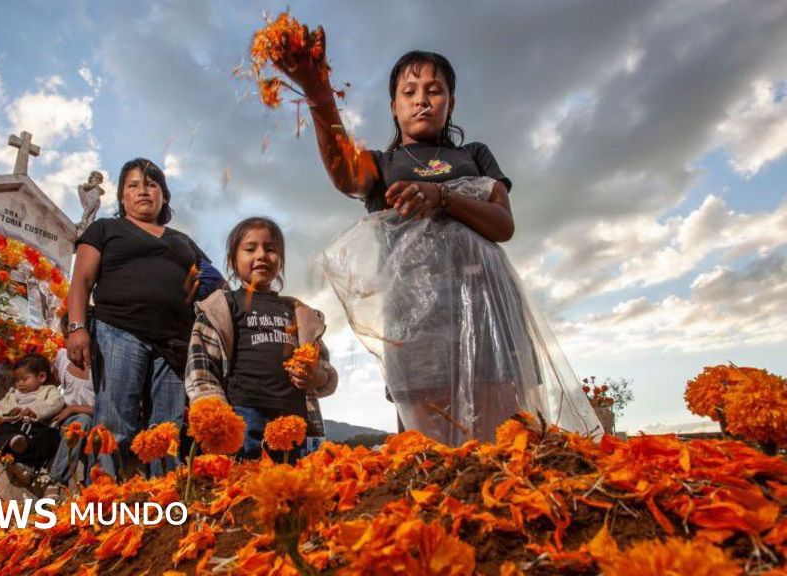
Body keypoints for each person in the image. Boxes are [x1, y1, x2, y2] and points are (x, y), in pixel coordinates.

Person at [282, 48, 599, 444]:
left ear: (450, 104)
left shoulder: (474, 156)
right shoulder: (381, 164)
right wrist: (319, 94)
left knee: (507, 444)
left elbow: (503, 225)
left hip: (489, 315)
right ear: (394, 107)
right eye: (409, 91)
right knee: (430, 457)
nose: (421, 99)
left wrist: (443, 197)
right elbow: (346, 175)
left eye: (434, 90)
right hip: (416, 328)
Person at [66, 158, 216, 478]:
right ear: (122, 197)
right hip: (119, 330)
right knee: (114, 424)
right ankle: (104, 499)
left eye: (151, 184)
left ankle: (163, 506)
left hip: (176, 343)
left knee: (167, 429)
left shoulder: (183, 241)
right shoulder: (105, 229)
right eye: (132, 185)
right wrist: (77, 326)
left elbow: (216, 288)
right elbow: (80, 281)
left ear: (163, 195)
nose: (142, 191)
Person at [185, 217, 337, 461]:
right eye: (250, 248)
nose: (262, 255)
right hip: (244, 417)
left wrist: (317, 376)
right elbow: (201, 371)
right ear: (233, 261)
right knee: (244, 490)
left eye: (271, 249)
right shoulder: (222, 307)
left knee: (299, 488)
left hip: (298, 419)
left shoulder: (298, 312)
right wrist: (218, 417)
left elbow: (326, 370)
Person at [45, 318, 95, 495]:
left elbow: (105, 408)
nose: (69, 343)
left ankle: (57, 480)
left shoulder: (98, 368)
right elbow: (55, 385)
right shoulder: (61, 358)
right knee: (77, 424)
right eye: (66, 337)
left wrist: (73, 409)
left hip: (91, 422)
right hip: (65, 422)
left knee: (82, 421)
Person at [0, 354, 64, 479]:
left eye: (24, 379)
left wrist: (36, 411)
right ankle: (16, 444)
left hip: (37, 428)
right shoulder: (13, 393)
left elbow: (56, 403)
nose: (19, 383)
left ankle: (23, 458)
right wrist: (11, 412)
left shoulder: (49, 390)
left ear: (41, 377)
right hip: (16, 427)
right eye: (17, 380)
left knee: (50, 437)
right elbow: (2, 406)